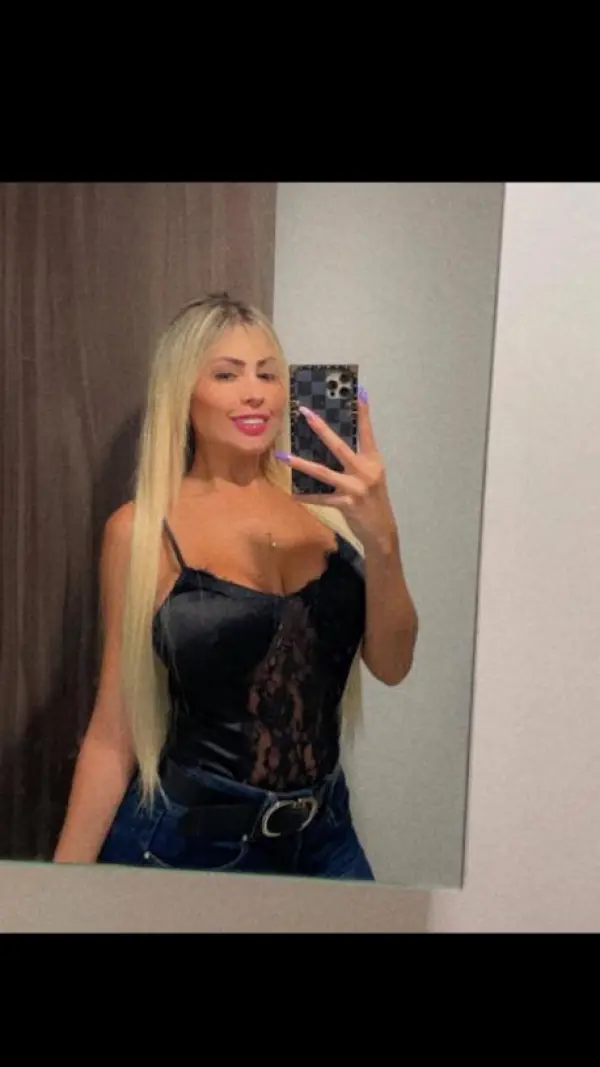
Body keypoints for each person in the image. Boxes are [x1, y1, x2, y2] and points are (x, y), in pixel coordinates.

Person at [53, 293, 418, 879]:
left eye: (268, 374)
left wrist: (383, 537)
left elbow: (394, 665)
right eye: (227, 374)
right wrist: (61, 886)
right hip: (188, 846)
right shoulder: (144, 530)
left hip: (326, 840)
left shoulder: (329, 516)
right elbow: (113, 731)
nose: (255, 393)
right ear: (183, 392)